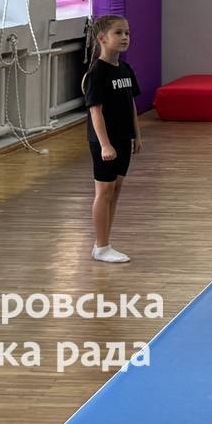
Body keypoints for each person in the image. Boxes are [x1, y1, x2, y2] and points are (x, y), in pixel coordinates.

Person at [84, 14, 143, 263]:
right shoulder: (97, 73)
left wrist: (136, 134)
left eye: (127, 32)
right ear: (102, 38)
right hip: (104, 142)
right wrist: (105, 144)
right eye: (118, 33)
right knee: (104, 191)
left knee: (115, 190)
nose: (125, 37)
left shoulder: (125, 69)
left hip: (123, 138)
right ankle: (101, 246)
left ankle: (104, 242)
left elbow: (130, 104)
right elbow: (95, 112)